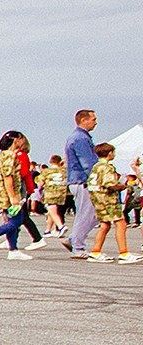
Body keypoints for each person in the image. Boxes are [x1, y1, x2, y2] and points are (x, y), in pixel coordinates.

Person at [0, 132, 43, 260]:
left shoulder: (1, 155)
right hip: (8, 192)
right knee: (16, 221)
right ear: (14, 140)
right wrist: (13, 197)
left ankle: (13, 249)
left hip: (2, 192)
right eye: (19, 138)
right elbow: (8, 177)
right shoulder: (9, 155)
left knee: (12, 219)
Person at [83, 142, 136, 262]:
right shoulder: (107, 167)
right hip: (108, 200)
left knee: (105, 225)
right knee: (121, 223)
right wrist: (123, 186)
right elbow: (110, 184)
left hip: (98, 200)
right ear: (110, 153)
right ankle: (124, 253)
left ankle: (96, 251)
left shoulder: (96, 167)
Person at [64, 110, 99, 256]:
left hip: (78, 180)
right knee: (87, 214)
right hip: (82, 181)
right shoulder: (81, 138)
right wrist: (97, 179)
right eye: (93, 119)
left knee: (95, 214)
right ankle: (77, 246)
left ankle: (74, 239)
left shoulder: (78, 137)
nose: (96, 122)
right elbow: (87, 162)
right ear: (84, 120)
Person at [38, 154, 69, 239]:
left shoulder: (47, 171)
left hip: (50, 193)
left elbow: (41, 183)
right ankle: (48, 230)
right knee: (51, 212)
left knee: (52, 211)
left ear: (50, 161)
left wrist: (40, 191)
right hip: (61, 193)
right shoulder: (64, 171)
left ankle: (61, 226)